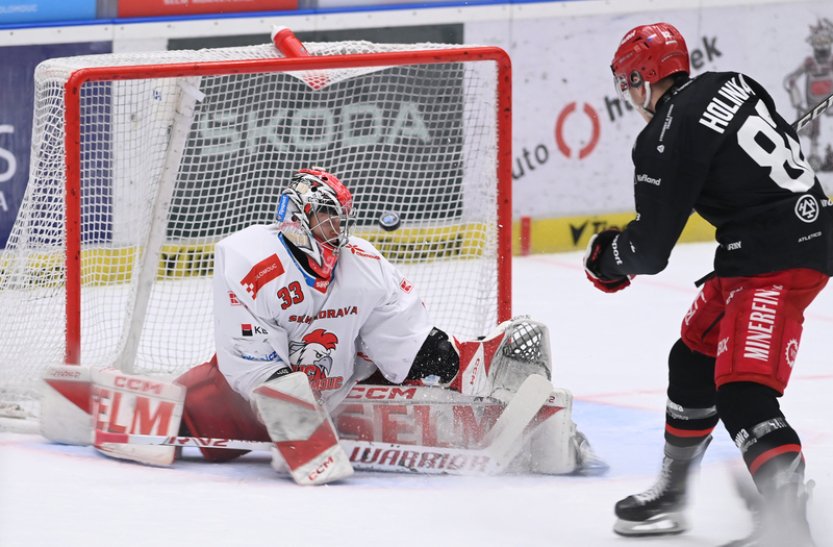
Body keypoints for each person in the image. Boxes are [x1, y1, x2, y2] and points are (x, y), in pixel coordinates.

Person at [583, 22, 833, 546]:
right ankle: (672, 494)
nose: (628, 95)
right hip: (766, 244)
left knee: (744, 394)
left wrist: (608, 260)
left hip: (776, 259)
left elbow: (649, 251)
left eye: (628, 83)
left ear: (645, 80)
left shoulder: (661, 137)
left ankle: (790, 527)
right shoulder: (730, 81)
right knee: (692, 358)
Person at [175, 167, 545, 462]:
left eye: (341, 217)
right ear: (296, 216)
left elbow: (401, 336)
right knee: (185, 404)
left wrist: (447, 360)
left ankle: (480, 376)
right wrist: (294, 420)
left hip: (336, 407)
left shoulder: (363, 264)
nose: (337, 228)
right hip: (240, 407)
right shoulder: (252, 260)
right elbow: (249, 362)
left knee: (430, 359)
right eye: (327, 216)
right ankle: (157, 407)